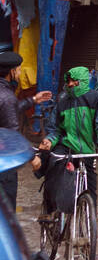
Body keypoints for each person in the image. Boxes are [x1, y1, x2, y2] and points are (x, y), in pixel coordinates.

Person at [32, 65, 98, 206]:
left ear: (82, 80)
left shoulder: (97, 99)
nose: (70, 84)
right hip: (65, 146)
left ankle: (89, 223)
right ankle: (50, 212)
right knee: (53, 175)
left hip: (87, 150)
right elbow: (54, 128)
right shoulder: (62, 101)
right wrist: (49, 140)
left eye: (74, 81)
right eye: (68, 81)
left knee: (90, 191)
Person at [0, 51, 52, 209]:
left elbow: (8, 110)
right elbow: (12, 133)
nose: (21, 72)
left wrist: (33, 100)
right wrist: (32, 156)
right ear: (12, 71)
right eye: (20, 69)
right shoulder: (7, 96)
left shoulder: (5, 94)